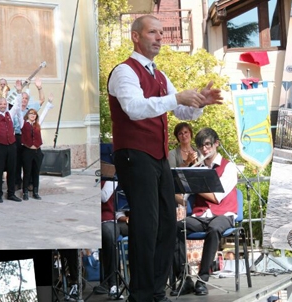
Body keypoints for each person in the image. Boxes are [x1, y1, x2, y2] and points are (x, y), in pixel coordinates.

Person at [106, 15, 222, 302]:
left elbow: (181, 112)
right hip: (134, 154)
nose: (160, 37)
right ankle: (142, 294)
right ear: (136, 36)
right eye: (153, 32)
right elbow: (134, 108)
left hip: (156, 157)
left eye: (162, 32)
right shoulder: (124, 71)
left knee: (167, 223)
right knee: (146, 224)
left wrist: (199, 104)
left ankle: (157, 290)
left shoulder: (159, 74)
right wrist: (177, 99)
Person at [173, 128, 238, 296]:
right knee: (174, 228)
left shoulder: (229, 167)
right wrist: (172, 187)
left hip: (225, 215)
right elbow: (182, 198)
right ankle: (184, 279)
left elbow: (217, 197)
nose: (204, 149)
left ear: (216, 143)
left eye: (208, 144)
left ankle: (202, 280)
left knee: (215, 228)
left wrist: (193, 183)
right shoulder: (196, 168)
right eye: (201, 146)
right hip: (201, 215)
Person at [97, 163, 128, 299]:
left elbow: (105, 197)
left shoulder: (111, 177)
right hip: (93, 222)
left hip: (110, 220)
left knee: (109, 234)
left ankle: (115, 283)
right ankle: (112, 283)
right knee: (108, 235)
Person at [21, 105, 51, 200]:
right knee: (27, 172)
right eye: (31, 113)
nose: (33, 115)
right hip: (27, 151)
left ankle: (35, 191)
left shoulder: (37, 124)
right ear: (27, 115)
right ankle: (25, 192)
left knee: (36, 172)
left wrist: (48, 104)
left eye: (34, 114)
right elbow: (17, 112)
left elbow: (44, 114)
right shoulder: (24, 123)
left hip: (37, 151)